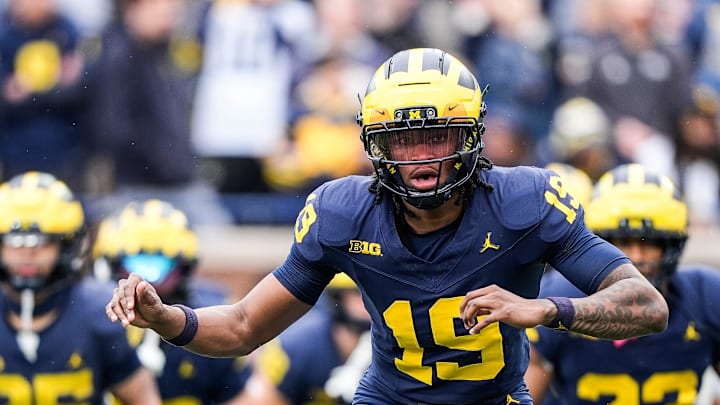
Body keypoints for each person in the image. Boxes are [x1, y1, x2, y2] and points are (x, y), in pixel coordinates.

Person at [106, 48, 669, 404]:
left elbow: (646, 306)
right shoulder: (341, 213)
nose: (420, 159)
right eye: (403, 140)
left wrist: (547, 310)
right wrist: (164, 317)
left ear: (470, 136)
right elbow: (243, 327)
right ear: (375, 145)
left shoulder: (524, 202)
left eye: (436, 137)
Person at [525, 163, 720, 405]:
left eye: (648, 242)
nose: (636, 257)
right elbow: (524, 394)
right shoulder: (558, 296)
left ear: (672, 246)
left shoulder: (706, 296)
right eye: (623, 242)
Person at [0, 171, 160, 404]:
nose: (26, 255)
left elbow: (145, 400)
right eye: (14, 243)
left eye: (40, 242)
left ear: (67, 244)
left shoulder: (99, 312)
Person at [93, 198, 249, 404]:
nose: (144, 283)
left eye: (160, 265)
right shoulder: (87, 313)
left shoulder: (217, 310)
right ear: (111, 266)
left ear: (184, 267)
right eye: (135, 264)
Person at [240, 272, 371, 405]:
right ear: (338, 297)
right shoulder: (299, 345)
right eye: (360, 294)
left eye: (378, 296)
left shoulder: (389, 344)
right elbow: (264, 399)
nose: (372, 303)